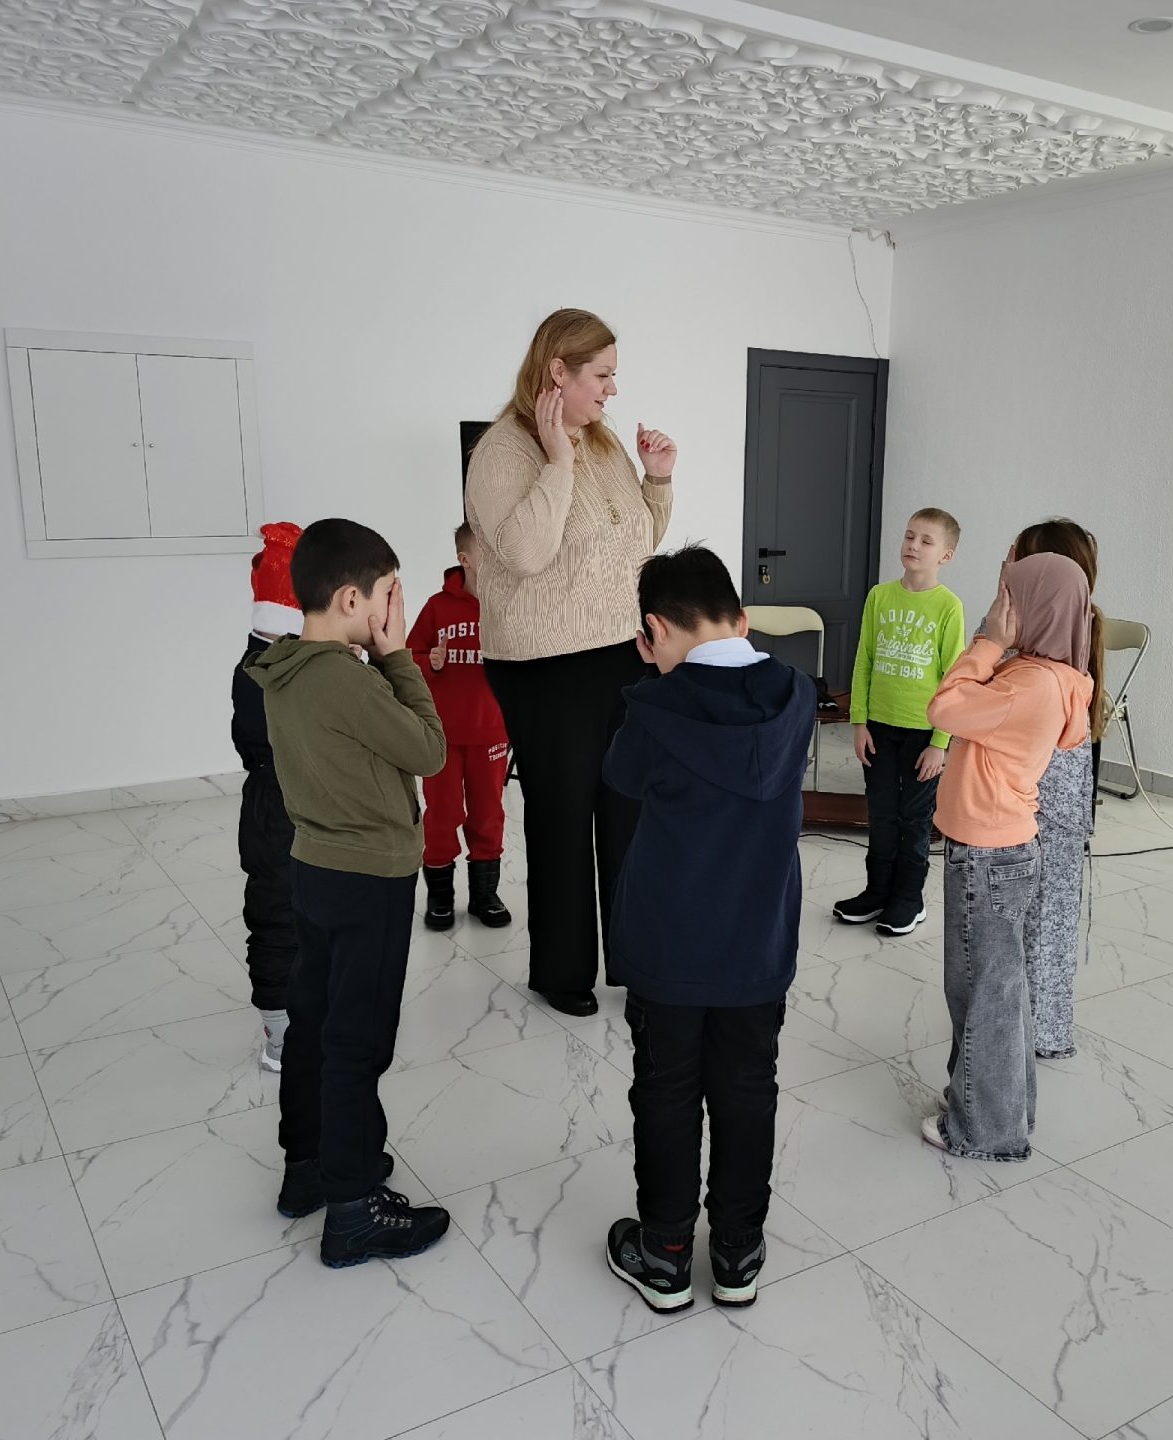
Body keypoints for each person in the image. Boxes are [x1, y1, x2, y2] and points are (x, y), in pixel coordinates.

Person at [601, 546, 815, 1314]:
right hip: (758, 942)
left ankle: (663, 1253)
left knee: (666, 1088)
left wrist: (652, 681)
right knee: (748, 1087)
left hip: (669, 946)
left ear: (654, 631)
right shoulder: (795, 695)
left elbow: (620, 777)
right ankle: (736, 1252)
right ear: (742, 619)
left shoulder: (654, 709)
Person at [246, 518, 451, 1268]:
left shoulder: (283, 666)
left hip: (316, 868)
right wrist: (397, 656)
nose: (396, 609)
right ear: (350, 599)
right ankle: (354, 1207)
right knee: (357, 1041)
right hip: (370, 877)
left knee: (314, 1022)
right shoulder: (348, 678)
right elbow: (428, 749)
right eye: (390, 594)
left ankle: (310, 1166)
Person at [466, 308, 678, 1018]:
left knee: (628, 813)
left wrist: (656, 481)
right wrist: (557, 463)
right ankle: (561, 972)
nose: (613, 389)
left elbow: (635, 545)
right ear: (558, 371)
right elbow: (526, 555)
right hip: (545, 666)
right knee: (561, 816)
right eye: (602, 375)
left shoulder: (605, 441)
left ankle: (634, 959)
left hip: (620, 653)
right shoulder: (504, 451)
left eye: (614, 375)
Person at [921, 554, 1093, 1162]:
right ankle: (997, 1106)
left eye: (1009, 598)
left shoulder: (1027, 684)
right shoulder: (1051, 676)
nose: (999, 608)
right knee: (998, 988)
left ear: (1038, 609)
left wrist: (988, 642)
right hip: (1001, 850)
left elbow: (943, 708)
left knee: (983, 994)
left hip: (986, 856)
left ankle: (985, 1131)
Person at [835, 509, 968, 936]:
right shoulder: (879, 596)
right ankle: (878, 892)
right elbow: (864, 660)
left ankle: (909, 899)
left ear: (946, 555)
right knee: (880, 814)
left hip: (923, 733)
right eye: (910, 536)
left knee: (914, 819)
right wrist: (859, 721)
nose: (913, 545)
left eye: (926, 541)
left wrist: (940, 742)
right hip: (879, 727)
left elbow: (953, 679)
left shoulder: (949, 607)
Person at [1010, 519, 1106, 1059]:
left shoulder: (1033, 656)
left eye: (1018, 560)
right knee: (1051, 918)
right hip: (1059, 807)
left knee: (1039, 920)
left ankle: (1034, 1031)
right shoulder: (1072, 629)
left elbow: (964, 694)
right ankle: (1044, 1028)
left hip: (1041, 807)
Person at [407, 522, 513, 933]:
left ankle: (485, 895)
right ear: (464, 559)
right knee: (443, 813)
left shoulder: (508, 603)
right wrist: (429, 662)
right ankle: (440, 896)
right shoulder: (437, 607)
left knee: (488, 814)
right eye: (486, 550)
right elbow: (409, 655)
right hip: (443, 737)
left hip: (491, 733)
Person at [233, 522, 304, 1071]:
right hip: (287, 802)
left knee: (276, 910)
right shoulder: (295, 672)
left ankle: (282, 1023)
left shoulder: (250, 663)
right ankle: (281, 1035)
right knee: (284, 913)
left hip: (262, 800)